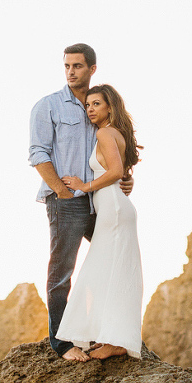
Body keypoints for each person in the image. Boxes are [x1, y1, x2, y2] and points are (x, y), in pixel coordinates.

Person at [29, 44, 133, 361]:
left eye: (77, 66)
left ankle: (109, 335)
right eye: (67, 66)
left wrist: (124, 177)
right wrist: (61, 191)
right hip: (67, 202)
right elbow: (38, 154)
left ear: (92, 68)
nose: (71, 71)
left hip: (100, 202)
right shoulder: (48, 107)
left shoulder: (97, 105)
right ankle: (62, 344)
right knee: (62, 272)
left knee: (112, 265)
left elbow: (113, 153)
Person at [55, 84, 143, 360]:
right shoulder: (113, 133)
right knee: (111, 271)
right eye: (88, 105)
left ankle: (116, 340)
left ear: (109, 107)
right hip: (113, 208)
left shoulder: (105, 132)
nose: (90, 109)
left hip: (114, 210)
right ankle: (111, 337)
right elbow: (122, 172)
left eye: (96, 104)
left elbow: (116, 172)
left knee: (111, 271)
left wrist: (84, 185)